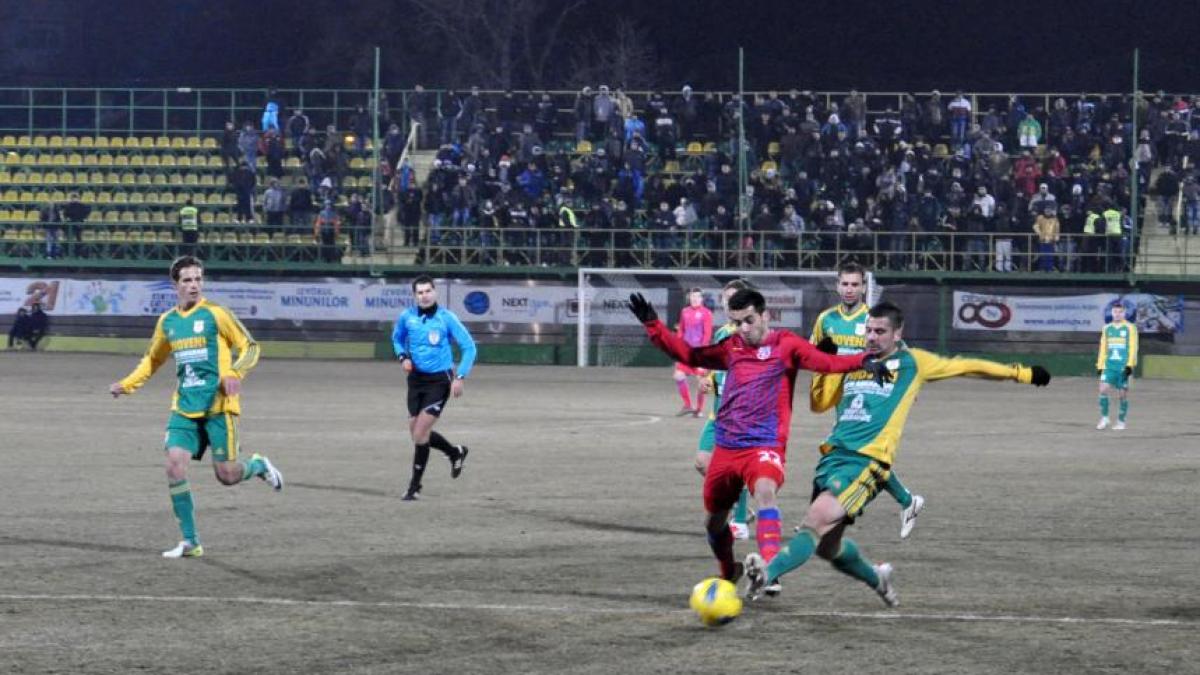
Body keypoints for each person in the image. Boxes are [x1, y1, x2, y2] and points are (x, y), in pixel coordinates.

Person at [744, 302, 1051, 605]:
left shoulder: (913, 362)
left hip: (867, 463)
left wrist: (1021, 373)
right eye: (868, 330)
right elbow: (819, 403)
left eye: (880, 331)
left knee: (816, 520)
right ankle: (878, 578)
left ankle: (766, 574)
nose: (872, 337)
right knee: (827, 547)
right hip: (831, 460)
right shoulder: (856, 361)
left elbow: (967, 366)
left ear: (897, 332)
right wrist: (828, 362)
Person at [627, 289, 892, 595]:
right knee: (713, 524)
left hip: (764, 445)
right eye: (736, 322)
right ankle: (731, 570)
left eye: (749, 320)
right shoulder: (732, 347)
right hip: (727, 447)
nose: (743, 328)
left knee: (765, 492)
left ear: (766, 315)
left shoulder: (786, 345)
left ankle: (769, 569)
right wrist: (653, 326)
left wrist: (864, 361)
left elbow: (824, 362)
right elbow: (690, 354)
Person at [109, 256, 283, 559]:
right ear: (175, 284)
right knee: (174, 466)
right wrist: (127, 384)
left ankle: (257, 465)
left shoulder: (217, 314)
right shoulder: (168, 322)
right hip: (184, 408)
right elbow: (153, 359)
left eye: (199, 279)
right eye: (188, 280)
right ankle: (190, 541)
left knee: (227, 475)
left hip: (218, 407)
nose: (194, 285)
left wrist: (234, 373)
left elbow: (250, 347)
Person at [810, 262, 925, 539]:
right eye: (845, 284)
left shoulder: (872, 319)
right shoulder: (826, 320)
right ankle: (908, 501)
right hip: (843, 391)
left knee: (858, 451)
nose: (849, 290)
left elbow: (899, 349)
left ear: (864, 287)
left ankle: (820, 516)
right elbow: (813, 354)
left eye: (855, 284)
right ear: (837, 285)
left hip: (872, 389)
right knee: (856, 453)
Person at [391, 275, 477, 501]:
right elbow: (397, 339)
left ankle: (414, 487)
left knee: (420, 433)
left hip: (440, 380)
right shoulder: (407, 317)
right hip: (415, 380)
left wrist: (460, 376)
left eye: (428, 291)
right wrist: (402, 357)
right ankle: (454, 452)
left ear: (434, 292)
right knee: (417, 433)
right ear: (414, 296)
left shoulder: (446, 318)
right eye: (419, 292)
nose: (424, 295)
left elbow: (469, 347)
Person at [695, 279, 754, 540]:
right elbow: (717, 368)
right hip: (717, 414)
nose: (731, 304)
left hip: (738, 416)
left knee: (733, 470)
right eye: (727, 299)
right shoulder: (721, 333)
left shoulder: (751, 334)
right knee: (702, 462)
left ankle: (740, 522)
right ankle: (740, 505)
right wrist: (707, 379)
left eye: (736, 298)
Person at [1096, 302, 1138, 430]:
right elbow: (1103, 347)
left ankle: (1121, 421)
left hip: (1123, 366)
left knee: (1122, 395)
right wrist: (1100, 365)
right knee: (1102, 389)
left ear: (1124, 313)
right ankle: (1104, 418)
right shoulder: (1107, 328)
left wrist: (1130, 366)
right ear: (1112, 313)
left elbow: (1133, 347)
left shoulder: (1130, 328)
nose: (1117, 314)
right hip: (1109, 366)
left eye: (1120, 312)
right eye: (1115, 312)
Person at [673, 288, 714, 416]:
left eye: (697, 296)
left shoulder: (706, 313)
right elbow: (681, 331)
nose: (695, 298)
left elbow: (707, 334)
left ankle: (699, 410)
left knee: (701, 381)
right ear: (689, 298)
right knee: (678, 375)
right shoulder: (684, 312)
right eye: (692, 296)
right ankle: (688, 405)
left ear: (701, 299)